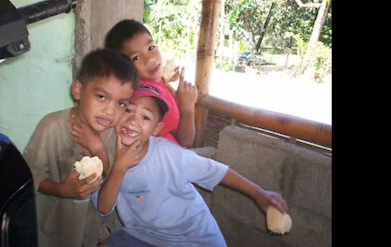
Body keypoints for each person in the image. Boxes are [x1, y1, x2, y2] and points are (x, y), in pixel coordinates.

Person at [91, 81, 289, 247]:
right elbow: (103, 208)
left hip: (194, 237)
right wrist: (118, 168)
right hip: (144, 235)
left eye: (145, 117)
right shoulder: (104, 154)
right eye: (128, 110)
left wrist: (259, 193)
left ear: (156, 128)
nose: (133, 120)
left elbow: (217, 171)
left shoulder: (170, 155)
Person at [23, 48, 138, 247]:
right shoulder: (52, 127)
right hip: (52, 225)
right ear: (78, 90)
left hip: (90, 228)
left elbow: (114, 179)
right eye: (101, 97)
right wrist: (61, 190)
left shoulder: (116, 134)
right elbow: (32, 174)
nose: (110, 111)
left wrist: (98, 149)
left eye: (121, 103)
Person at [104, 19, 197, 148]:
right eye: (136, 57)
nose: (150, 59)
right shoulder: (152, 101)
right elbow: (185, 140)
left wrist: (165, 79)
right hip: (167, 160)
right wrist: (187, 108)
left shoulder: (144, 85)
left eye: (151, 48)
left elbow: (152, 86)